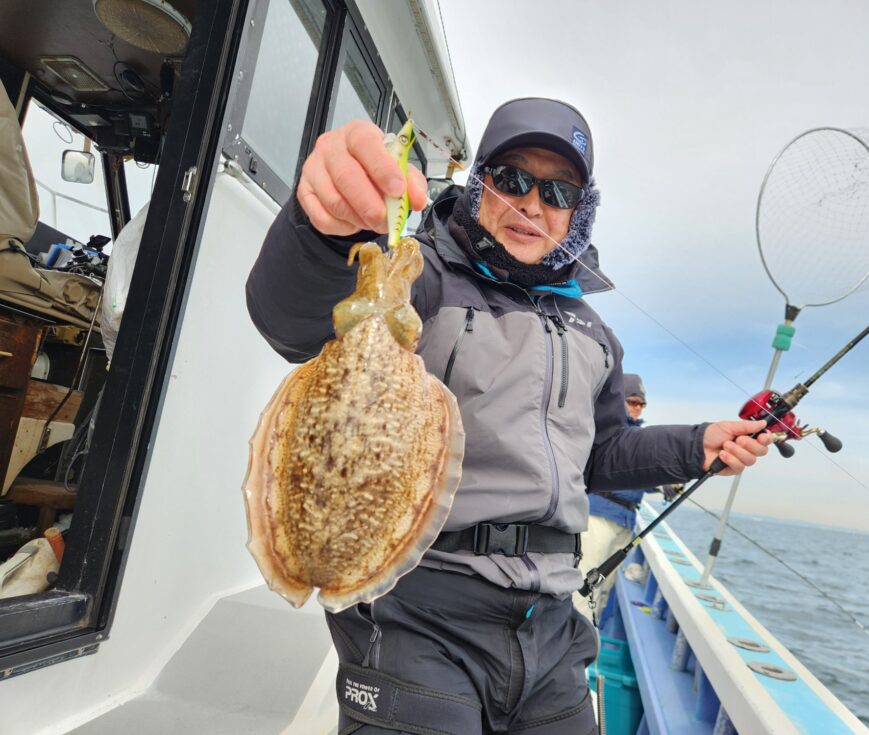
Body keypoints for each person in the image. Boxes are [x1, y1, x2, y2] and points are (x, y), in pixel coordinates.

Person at [246, 97, 770, 735]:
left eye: (557, 191)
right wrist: (322, 229)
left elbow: (599, 456)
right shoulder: (423, 278)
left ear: (580, 211)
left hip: (550, 623)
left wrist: (696, 445)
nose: (532, 204)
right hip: (421, 605)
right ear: (480, 183)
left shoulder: (594, 332)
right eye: (513, 179)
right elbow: (295, 319)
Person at [574, 373, 651, 624]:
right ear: (619, 401)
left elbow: (639, 473)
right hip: (597, 518)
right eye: (632, 402)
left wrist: (662, 484)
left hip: (624, 523)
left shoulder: (638, 437)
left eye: (641, 404)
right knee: (584, 585)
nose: (637, 408)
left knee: (603, 588)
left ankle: (589, 642)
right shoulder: (607, 431)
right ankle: (572, 650)